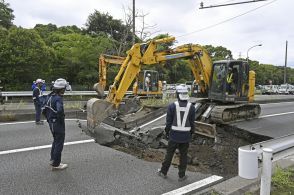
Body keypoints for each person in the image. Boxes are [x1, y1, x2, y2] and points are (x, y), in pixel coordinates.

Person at [157, 85, 196, 181]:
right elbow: (192, 122)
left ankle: (163, 172)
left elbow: (168, 122)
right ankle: (181, 175)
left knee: (169, 154)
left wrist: (166, 131)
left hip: (174, 135)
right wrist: (192, 132)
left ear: (178, 94)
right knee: (183, 156)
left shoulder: (172, 106)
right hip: (185, 136)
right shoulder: (191, 107)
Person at [44, 78, 71, 171]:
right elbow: (60, 111)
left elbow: (44, 110)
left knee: (55, 141)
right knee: (59, 143)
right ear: (61, 89)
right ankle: (56, 164)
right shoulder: (58, 98)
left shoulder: (49, 96)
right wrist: (61, 118)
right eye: (64, 89)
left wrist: (49, 119)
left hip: (51, 123)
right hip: (57, 124)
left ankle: (53, 159)